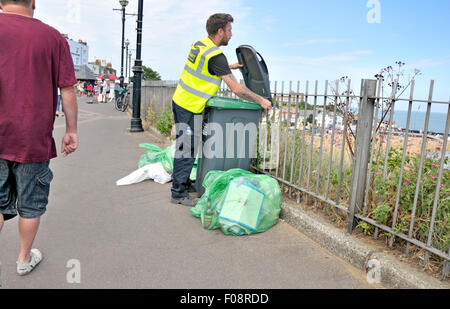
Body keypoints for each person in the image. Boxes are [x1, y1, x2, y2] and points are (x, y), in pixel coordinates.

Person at [0, 0, 78, 276]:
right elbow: (67, 90)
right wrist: (71, 130)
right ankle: (23, 258)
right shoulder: (53, 38)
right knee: (31, 204)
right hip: (32, 139)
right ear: (33, 2)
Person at [170, 13, 272, 206]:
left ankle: (181, 182)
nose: (231, 34)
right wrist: (261, 100)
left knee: (186, 146)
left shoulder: (200, 45)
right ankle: (178, 193)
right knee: (186, 147)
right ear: (220, 31)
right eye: (229, 30)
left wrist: (229, 66)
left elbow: (206, 66)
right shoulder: (216, 56)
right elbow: (236, 88)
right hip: (189, 105)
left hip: (180, 99)